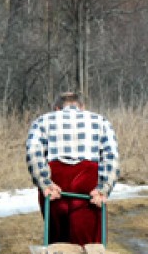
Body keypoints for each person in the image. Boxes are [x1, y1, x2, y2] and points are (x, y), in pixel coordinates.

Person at [26, 91, 120, 246]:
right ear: (82, 107)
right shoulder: (100, 121)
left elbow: (33, 153)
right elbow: (111, 156)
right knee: (88, 241)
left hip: (57, 181)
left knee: (57, 238)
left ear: (57, 108)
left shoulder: (42, 121)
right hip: (87, 182)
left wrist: (45, 183)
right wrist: (103, 189)